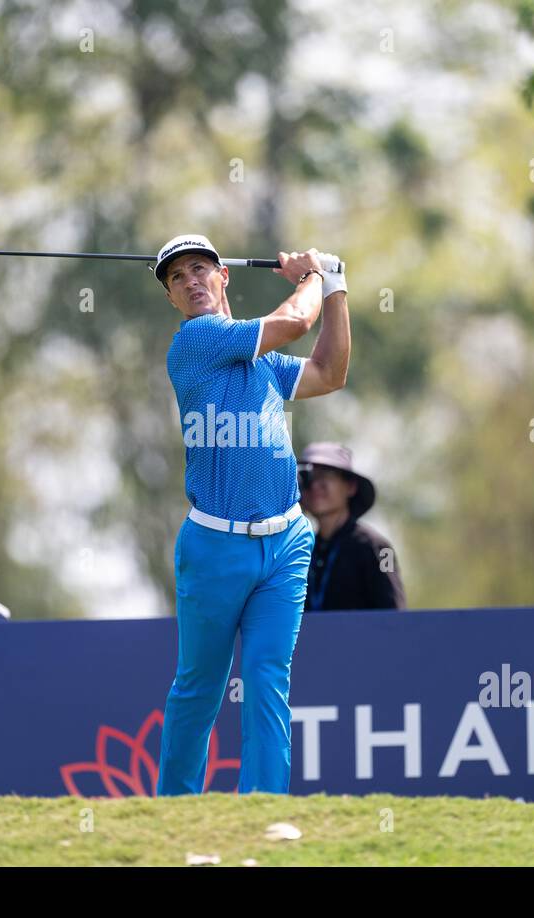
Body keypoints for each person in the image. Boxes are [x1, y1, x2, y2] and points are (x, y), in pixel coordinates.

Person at [154, 234, 351, 795]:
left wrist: (335, 287)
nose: (191, 281)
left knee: (267, 679)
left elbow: (330, 371)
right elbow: (292, 323)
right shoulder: (194, 343)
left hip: (286, 541)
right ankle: (174, 814)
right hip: (214, 546)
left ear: (224, 277)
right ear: (171, 297)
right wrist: (313, 275)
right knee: (201, 688)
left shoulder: (262, 367)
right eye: (177, 278)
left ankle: (261, 814)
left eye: (200, 269)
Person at [297, 442, 406, 611]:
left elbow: (395, 616)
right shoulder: (301, 550)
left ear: (350, 486)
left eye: (326, 474)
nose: (315, 485)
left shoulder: (377, 547)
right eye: (308, 477)